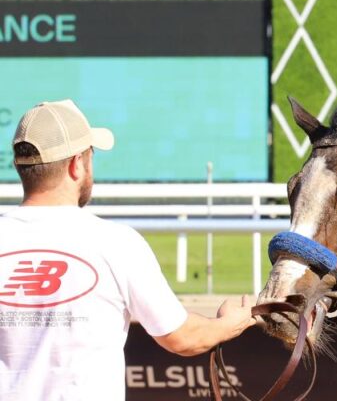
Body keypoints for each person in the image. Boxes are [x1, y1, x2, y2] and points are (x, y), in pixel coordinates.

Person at [0, 100, 256, 400]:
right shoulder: (116, 243)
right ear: (76, 164)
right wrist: (229, 324)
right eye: (91, 155)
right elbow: (183, 337)